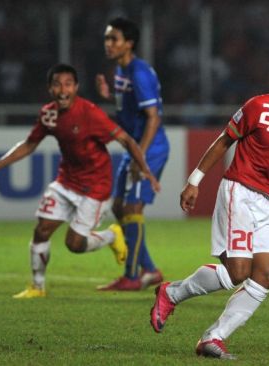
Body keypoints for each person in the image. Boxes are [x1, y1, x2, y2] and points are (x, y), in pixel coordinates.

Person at [149, 49, 269, 360]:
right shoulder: (260, 106)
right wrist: (194, 180)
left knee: (266, 273)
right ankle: (172, 292)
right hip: (240, 191)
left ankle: (214, 337)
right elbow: (224, 140)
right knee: (238, 271)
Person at [0, 64, 160, 298]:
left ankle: (112, 235)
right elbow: (29, 144)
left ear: (76, 87)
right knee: (42, 230)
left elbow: (127, 141)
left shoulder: (90, 113)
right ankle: (37, 287)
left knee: (75, 244)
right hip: (66, 181)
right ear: (50, 88)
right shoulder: (48, 114)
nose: (62, 90)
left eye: (68, 84)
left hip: (95, 187)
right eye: (57, 84)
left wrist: (145, 170)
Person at [95, 17, 170, 291]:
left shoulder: (138, 73)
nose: (108, 44)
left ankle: (132, 276)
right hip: (134, 148)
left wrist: (142, 157)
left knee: (132, 208)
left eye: (113, 38)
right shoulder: (121, 71)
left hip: (149, 149)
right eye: (107, 38)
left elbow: (153, 118)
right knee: (118, 207)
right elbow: (130, 110)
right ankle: (149, 269)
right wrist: (109, 96)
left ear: (129, 43)